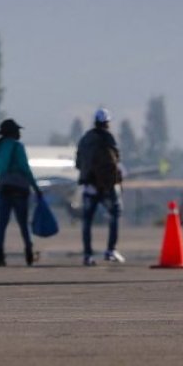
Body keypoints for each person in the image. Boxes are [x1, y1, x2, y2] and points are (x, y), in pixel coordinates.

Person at [75, 107, 125, 265]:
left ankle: (87, 255)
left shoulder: (85, 139)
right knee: (114, 214)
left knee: (87, 221)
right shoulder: (109, 138)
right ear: (107, 122)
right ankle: (111, 250)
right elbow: (116, 160)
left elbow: (78, 163)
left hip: (89, 185)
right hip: (108, 186)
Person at [0, 118, 39, 266]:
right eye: (17, 131)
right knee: (23, 224)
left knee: (2, 224)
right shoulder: (18, 146)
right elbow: (25, 168)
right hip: (20, 189)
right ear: (13, 132)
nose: (19, 133)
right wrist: (36, 187)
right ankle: (29, 252)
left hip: (3, 188)